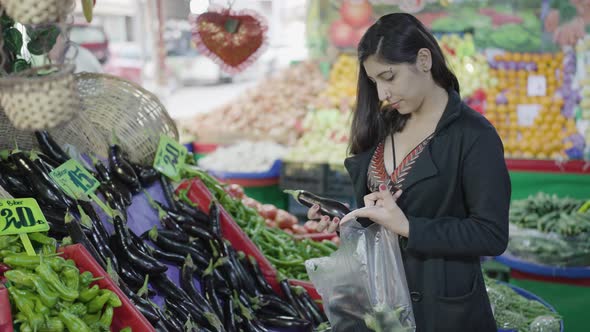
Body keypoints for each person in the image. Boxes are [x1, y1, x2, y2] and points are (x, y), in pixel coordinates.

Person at [308, 13, 511, 332]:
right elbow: (377, 216)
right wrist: (348, 221)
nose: (381, 94)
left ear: (424, 60)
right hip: (381, 309)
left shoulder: (474, 136)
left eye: (389, 76)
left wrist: (409, 226)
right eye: (374, 82)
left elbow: (491, 234)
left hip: (445, 313)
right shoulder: (381, 127)